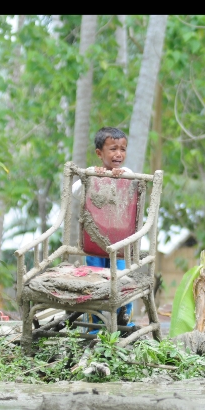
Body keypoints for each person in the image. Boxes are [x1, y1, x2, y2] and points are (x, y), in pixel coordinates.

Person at [72, 127, 134, 329]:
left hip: (119, 241)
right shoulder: (93, 173)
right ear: (99, 153)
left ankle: (123, 323)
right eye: (113, 149)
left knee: (122, 281)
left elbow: (132, 180)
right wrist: (92, 176)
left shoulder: (126, 174)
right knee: (95, 280)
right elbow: (74, 192)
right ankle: (95, 326)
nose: (119, 154)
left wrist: (120, 175)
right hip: (95, 238)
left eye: (123, 149)